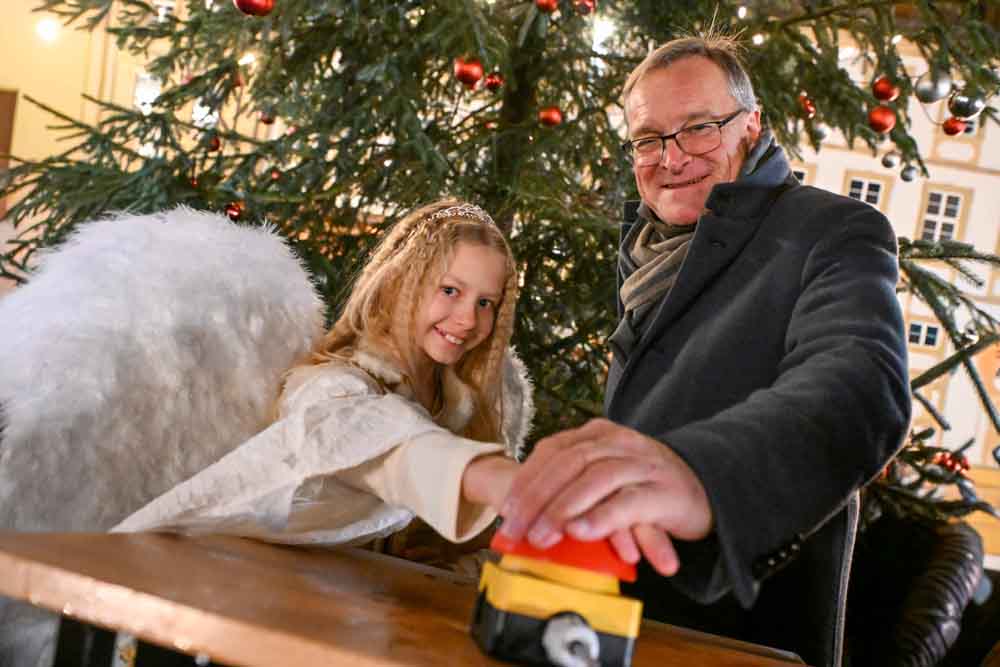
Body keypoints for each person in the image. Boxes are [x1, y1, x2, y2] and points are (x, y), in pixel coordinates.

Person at [497, 34, 910, 667]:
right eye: (648, 139)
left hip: (738, 638)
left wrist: (701, 476)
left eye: (698, 129)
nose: (671, 157)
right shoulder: (646, 252)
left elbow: (859, 384)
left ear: (751, 126)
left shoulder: (830, 230)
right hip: (622, 626)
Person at [116, 198, 530, 547]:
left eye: (485, 303)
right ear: (401, 284)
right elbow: (359, 434)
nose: (466, 319)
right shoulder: (333, 385)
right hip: (221, 581)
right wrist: (488, 475)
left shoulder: (465, 408)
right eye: (450, 291)